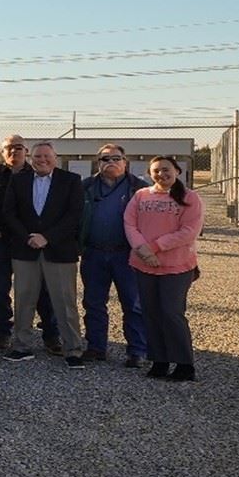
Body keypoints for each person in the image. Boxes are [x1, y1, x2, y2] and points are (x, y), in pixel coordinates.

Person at [3, 142, 87, 368]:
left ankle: (73, 350)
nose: (42, 160)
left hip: (59, 251)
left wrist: (47, 237)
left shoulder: (70, 181)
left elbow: (74, 215)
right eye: (38, 156)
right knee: (24, 300)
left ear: (55, 157)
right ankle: (21, 346)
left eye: (46, 156)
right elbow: (9, 213)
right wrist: (28, 237)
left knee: (64, 302)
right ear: (31, 158)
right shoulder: (18, 180)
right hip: (25, 250)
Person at [124, 156, 205, 381]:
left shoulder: (190, 198)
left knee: (171, 313)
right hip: (144, 264)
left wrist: (155, 247)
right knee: (150, 313)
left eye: (166, 169)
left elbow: (189, 231)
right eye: (156, 171)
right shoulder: (141, 196)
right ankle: (159, 360)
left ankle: (184, 364)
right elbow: (129, 224)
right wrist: (142, 250)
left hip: (176, 266)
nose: (161, 174)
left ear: (177, 171)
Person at [0, 134, 57, 352]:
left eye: (19, 147)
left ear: (26, 151)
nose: (14, 151)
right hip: (0, 242)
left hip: (29, 242)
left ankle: (51, 336)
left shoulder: (39, 176)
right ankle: (2, 333)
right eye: (9, 148)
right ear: (2, 152)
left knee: (41, 290)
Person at [80, 143, 150, 366]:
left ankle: (137, 351)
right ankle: (96, 347)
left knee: (133, 303)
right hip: (93, 253)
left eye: (115, 158)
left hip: (127, 255)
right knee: (93, 303)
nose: (110, 162)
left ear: (125, 162)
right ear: (97, 163)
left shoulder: (139, 189)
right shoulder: (86, 187)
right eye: (105, 159)